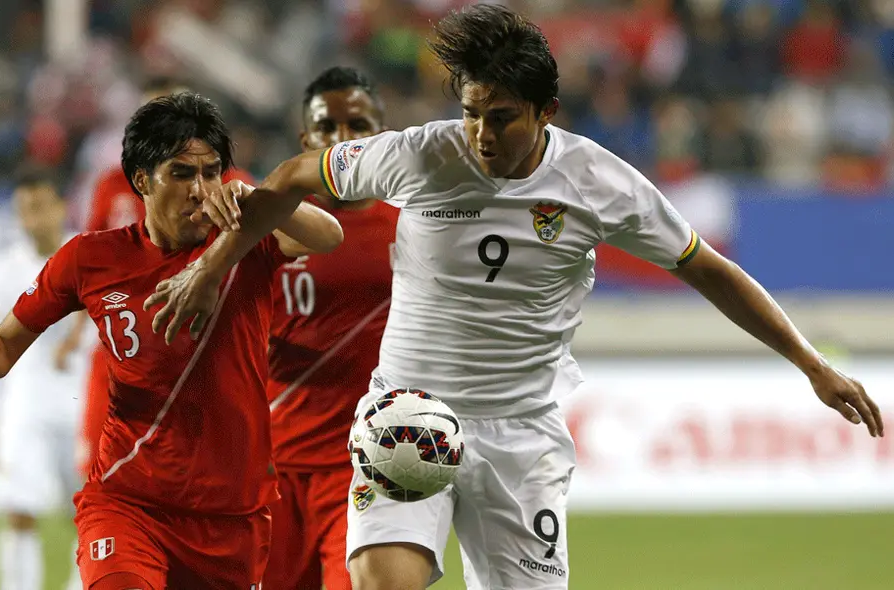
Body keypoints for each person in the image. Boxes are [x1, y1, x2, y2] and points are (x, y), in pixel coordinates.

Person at [145, 6, 884, 590]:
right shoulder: (420, 154)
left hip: (520, 435)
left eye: (500, 117)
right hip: (408, 409)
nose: (480, 134)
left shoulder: (601, 183)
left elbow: (709, 268)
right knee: (378, 582)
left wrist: (811, 363)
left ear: (546, 113)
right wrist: (214, 267)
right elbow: (290, 181)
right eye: (471, 112)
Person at [0, 92, 344, 590]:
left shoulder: (245, 241)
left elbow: (328, 235)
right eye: (182, 173)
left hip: (232, 517)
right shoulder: (90, 258)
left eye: (211, 172)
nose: (200, 189)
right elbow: (2, 349)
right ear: (142, 181)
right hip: (129, 503)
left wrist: (255, 201)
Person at [77, 76, 256, 481]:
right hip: (126, 342)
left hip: (201, 347)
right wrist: (77, 328)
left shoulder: (227, 181)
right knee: (102, 473)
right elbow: (92, 260)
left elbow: (264, 246)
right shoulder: (111, 183)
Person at [263, 66, 397, 590]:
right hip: (272, 470)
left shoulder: (415, 230)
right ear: (306, 141)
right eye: (328, 128)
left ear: (382, 135)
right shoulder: (270, 228)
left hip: (367, 468)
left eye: (358, 125)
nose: (344, 141)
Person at [0, 168, 90, 590]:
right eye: (24, 210)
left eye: (40, 207)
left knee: (88, 513)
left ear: (61, 207)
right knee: (17, 510)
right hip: (25, 402)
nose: (32, 218)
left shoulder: (87, 255)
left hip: (82, 399)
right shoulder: (4, 268)